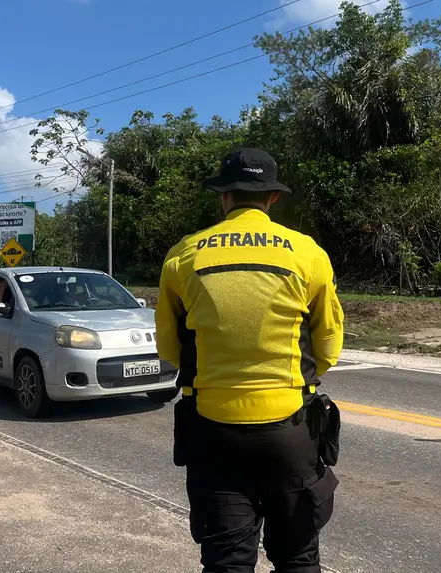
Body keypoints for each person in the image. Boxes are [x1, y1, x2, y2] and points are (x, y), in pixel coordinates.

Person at [155, 148, 345, 573]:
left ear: (224, 196)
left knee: (227, 562)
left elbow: (169, 349)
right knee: (298, 559)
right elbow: (329, 346)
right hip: (291, 431)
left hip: (212, 432)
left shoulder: (184, 256)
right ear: (272, 198)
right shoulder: (306, 253)